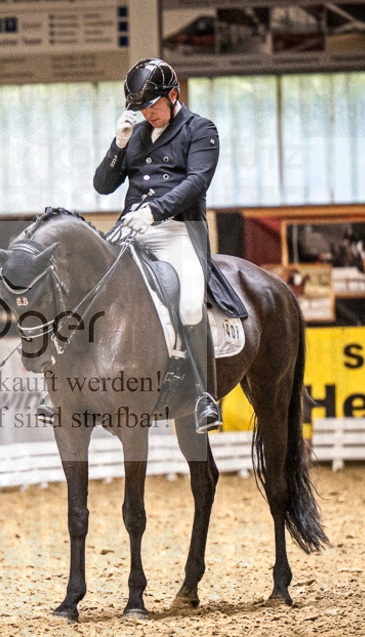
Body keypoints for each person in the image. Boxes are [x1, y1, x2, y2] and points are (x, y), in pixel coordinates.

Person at [93, 58, 222, 433]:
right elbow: (103, 185)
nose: (148, 112)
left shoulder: (200, 129)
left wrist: (155, 211)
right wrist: (117, 145)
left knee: (189, 303)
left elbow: (197, 182)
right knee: (87, 284)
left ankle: (203, 395)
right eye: (141, 108)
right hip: (131, 229)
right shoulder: (135, 133)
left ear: (174, 95)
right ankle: (65, 386)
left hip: (176, 230)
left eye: (154, 104)